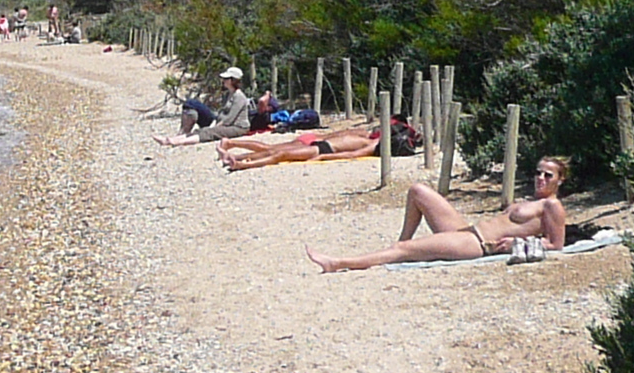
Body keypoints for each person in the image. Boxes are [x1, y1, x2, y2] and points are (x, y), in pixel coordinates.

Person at [308, 156, 571, 267]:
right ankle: (403, 241)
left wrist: (518, 242)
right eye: (538, 172)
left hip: (477, 244)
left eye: (548, 175)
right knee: (418, 191)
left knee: (402, 254)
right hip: (467, 231)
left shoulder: (552, 206)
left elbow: (556, 244)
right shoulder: (529, 200)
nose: (540, 178)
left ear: (560, 180)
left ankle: (339, 263)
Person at [218, 119, 391, 171]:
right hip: (320, 142)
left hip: (321, 144)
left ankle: (239, 159)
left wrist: (324, 156)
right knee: (274, 150)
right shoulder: (367, 136)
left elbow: (352, 154)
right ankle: (238, 156)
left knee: (276, 151)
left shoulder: (368, 137)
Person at [154, 69, 252, 145]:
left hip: (238, 127)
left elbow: (230, 119)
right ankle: (173, 139)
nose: (224, 81)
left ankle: (177, 142)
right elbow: (222, 113)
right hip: (227, 123)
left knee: (210, 132)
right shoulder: (229, 94)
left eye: (226, 79)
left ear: (232, 80)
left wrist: (215, 126)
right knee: (203, 129)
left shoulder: (239, 97)